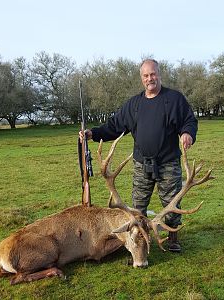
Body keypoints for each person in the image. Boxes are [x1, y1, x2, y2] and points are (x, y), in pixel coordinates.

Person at [79, 59, 198, 252]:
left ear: (159, 74)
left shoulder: (174, 99)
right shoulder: (134, 104)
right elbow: (114, 126)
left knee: (172, 202)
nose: (149, 78)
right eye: (145, 75)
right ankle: (138, 240)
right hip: (142, 164)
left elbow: (189, 120)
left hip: (168, 163)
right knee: (138, 206)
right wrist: (93, 133)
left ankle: (173, 237)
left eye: (153, 74)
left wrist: (187, 133)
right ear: (141, 78)